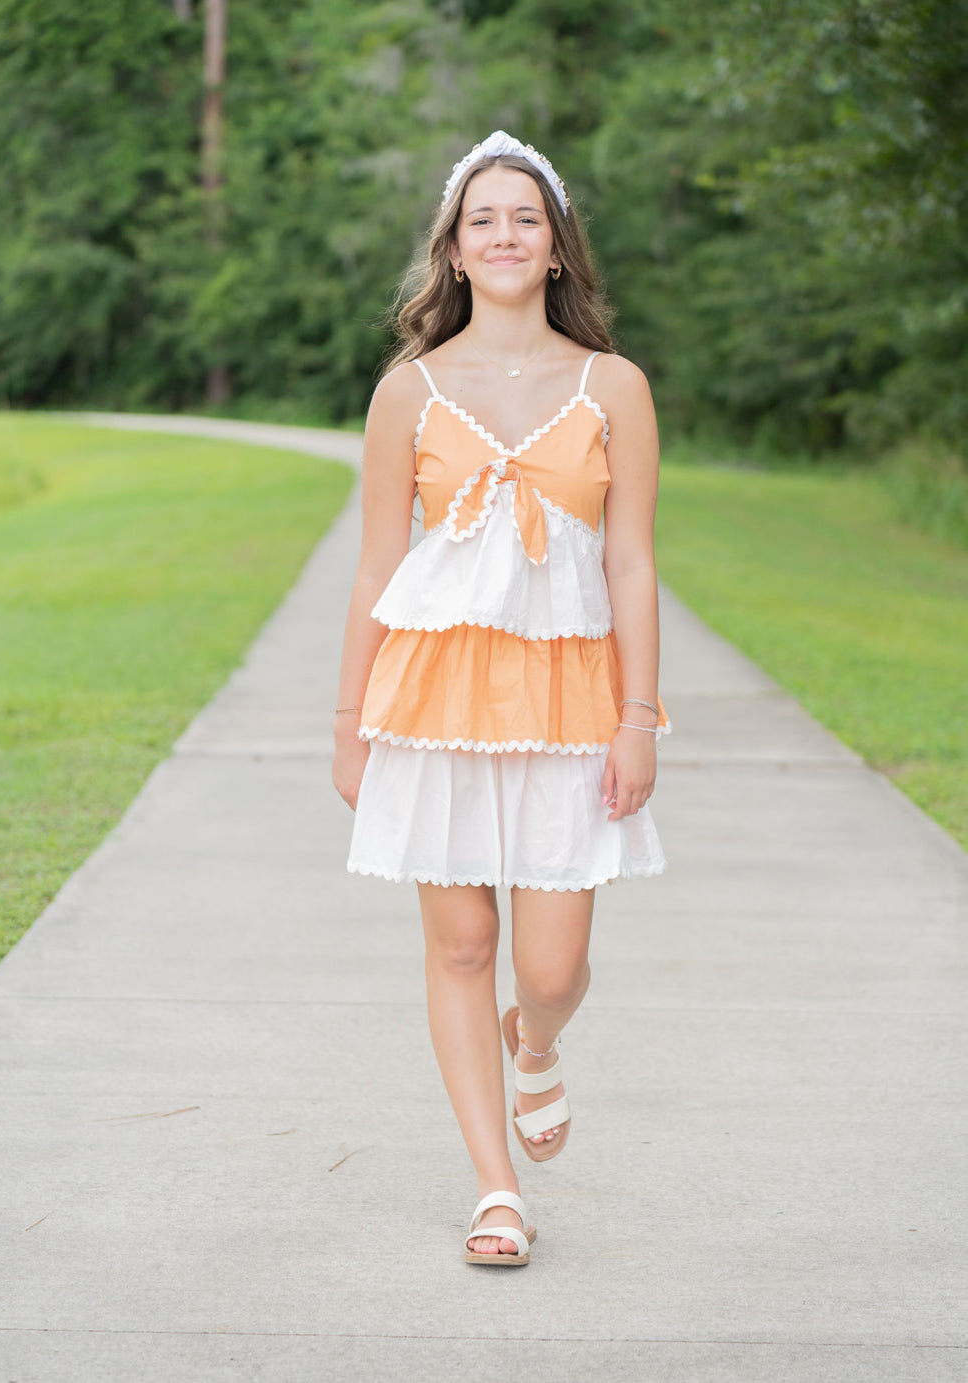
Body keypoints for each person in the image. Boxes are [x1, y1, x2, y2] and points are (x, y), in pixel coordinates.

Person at [332, 130, 669, 1267]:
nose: (506, 235)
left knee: (551, 968)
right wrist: (349, 728)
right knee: (464, 942)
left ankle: (538, 1042)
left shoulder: (614, 386)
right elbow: (377, 569)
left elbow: (631, 563)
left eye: (526, 217)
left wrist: (639, 719)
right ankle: (495, 1190)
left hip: (575, 701)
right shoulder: (409, 393)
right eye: (484, 220)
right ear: (457, 253)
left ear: (557, 249)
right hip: (431, 700)